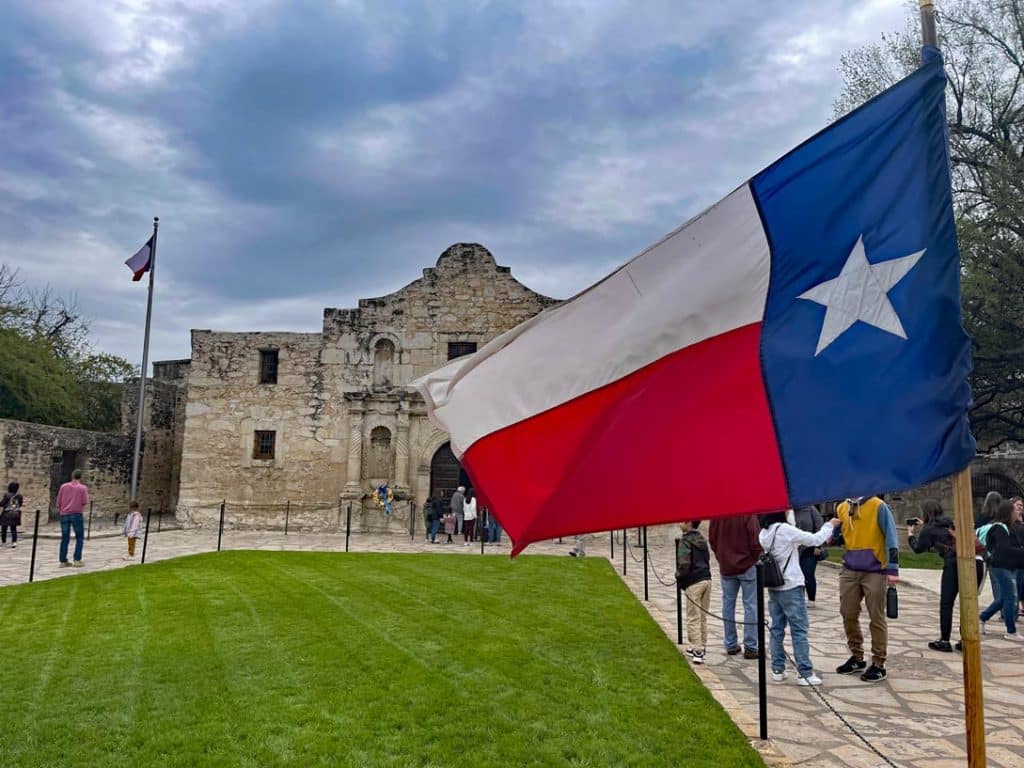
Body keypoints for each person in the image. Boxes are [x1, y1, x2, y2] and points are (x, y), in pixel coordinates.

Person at [759, 510, 840, 685]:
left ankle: (777, 669)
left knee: (777, 628)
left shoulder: (764, 533)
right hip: (791, 586)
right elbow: (815, 539)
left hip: (775, 586)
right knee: (799, 629)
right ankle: (805, 672)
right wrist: (829, 526)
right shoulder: (785, 530)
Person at [834, 495, 899, 682]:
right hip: (850, 568)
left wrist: (892, 568)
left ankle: (879, 662)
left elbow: (891, 536)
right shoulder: (841, 507)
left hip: (876, 570)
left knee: (876, 616)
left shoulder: (878, 506)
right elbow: (841, 537)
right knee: (848, 612)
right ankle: (857, 656)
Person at [908, 499, 984, 652]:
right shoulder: (951, 523)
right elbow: (943, 534)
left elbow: (918, 548)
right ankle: (966, 640)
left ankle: (944, 640)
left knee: (947, 603)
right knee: (968, 602)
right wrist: (925, 525)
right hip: (976, 562)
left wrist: (910, 534)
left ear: (926, 513)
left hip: (954, 565)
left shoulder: (929, 530)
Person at [708, 514, 761, 658]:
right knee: (750, 606)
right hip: (747, 565)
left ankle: (731, 643)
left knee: (728, 605)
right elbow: (755, 539)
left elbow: (712, 539)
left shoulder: (717, 514)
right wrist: (755, 558)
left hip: (727, 566)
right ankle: (750, 646)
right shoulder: (747, 513)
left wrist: (721, 556)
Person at [979, 500, 1024, 641]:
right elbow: (1004, 550)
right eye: (1016, 510)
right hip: (1001, 567)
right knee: (1011, 598)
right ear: (1009, 512)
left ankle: (982, 617)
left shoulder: (1010, 528)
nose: (1019, 512)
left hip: (1008, 566)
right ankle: (1011, 631)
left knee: (1004, 598)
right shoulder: (999, 528)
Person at [677, 521, 712, 665]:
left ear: (688, 522)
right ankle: (700, 645)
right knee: (702, 616)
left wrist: (679, 576)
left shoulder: (685, 540)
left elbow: (684, 564)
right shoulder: (702, 539)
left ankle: (697, 650)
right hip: (706, 579)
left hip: (694, 581)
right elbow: (708, 558)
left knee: (693, 617)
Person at [55, 469, 89, 567]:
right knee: (79, 537)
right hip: (76, 514)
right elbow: (84, 501)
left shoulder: (63, 486)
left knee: (64, 538)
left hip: (64, 514)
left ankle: (62, 561)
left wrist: (62, 509)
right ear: (80, 477)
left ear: (72, 476)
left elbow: (58, 501)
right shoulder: (83, 488)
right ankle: (77, 559)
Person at [793, 504, 824, 606]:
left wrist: (818, 545)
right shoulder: (788, 511)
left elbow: (819, 526)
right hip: (793, 548)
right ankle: (799, 598)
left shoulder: (809, 508)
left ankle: (811, 599)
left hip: (809, 547)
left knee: (808, 573)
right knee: (796, 575)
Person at [0, 481, 24, 549]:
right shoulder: (19, 496)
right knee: (13, 528)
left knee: (4, 528)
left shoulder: (7, 495)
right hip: (15, 514)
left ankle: (3, 542)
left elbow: (2, 503)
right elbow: (20, 504)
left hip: (6, 514)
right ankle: (14, 542)